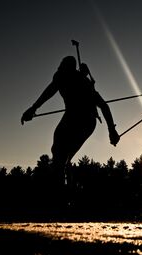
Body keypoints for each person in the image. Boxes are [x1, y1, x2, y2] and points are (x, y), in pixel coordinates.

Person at [21, 56, 120, 188]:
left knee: (60, 154)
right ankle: (64, 181)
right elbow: (50, 90)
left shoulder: (81, 82)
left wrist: (112, 131)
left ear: (66, 68)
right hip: (73, 116)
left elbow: (103, 106)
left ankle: (62, 187)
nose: (58, 70)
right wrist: (33, 108)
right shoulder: (68, 77)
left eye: (61, 67)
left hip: (86, 119)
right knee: (59, 152)